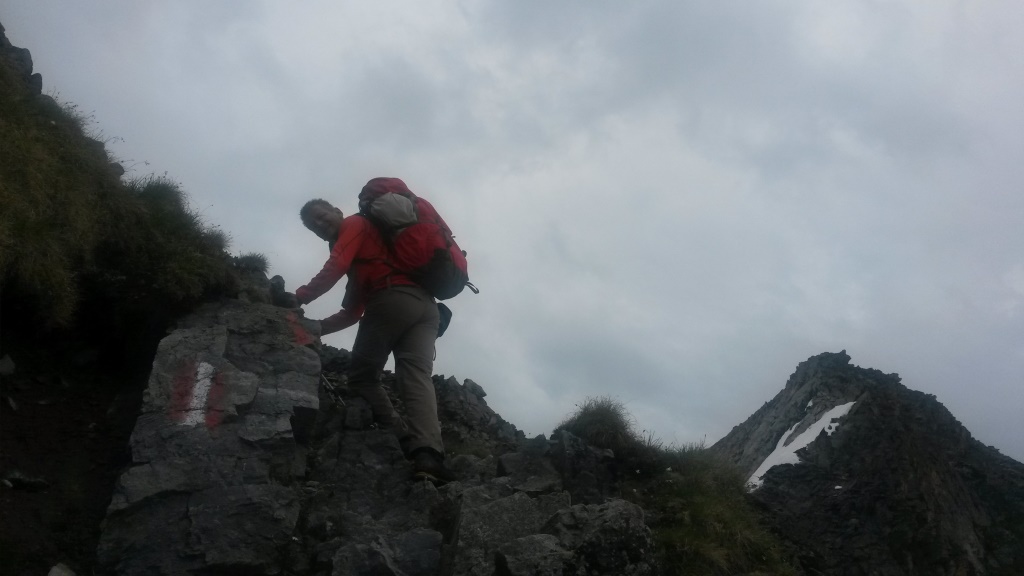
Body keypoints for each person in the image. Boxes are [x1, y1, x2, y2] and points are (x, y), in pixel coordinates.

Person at [295, 194, 455, 484]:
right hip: (426, 308)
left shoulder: (354, 224)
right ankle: (429, 456)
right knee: (417, 377)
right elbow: (352, 312)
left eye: (321, 216)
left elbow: (336, 264)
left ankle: (402, 436)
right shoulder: (370, 246)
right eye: (312, 225)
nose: (319, 225)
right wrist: (315, 328)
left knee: (362, 378)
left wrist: (298, 298)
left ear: (337, 211)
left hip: (391, 299)